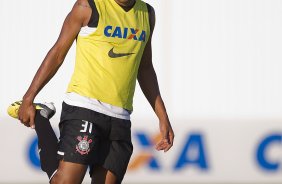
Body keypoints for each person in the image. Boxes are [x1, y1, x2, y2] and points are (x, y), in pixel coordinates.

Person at [12, 0, 174, 183]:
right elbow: (58, 53)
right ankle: (41, 119)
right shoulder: (88, 6)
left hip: (120, 118)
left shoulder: (147, 13)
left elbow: (144, 68)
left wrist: (163, 117)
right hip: (85, 107)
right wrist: (28, 98)